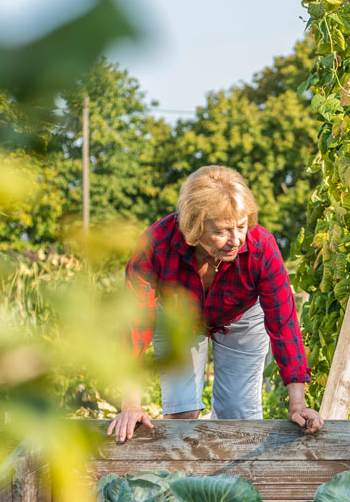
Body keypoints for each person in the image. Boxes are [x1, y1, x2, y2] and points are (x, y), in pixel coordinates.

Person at [107, 165, 323, 442]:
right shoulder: (156, 246)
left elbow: (283, 325)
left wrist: (298, 405)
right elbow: (134, 328)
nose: (235, 241)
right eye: (221, 231)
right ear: (195, 228)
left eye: (242, 227)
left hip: (242, 317)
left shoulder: (262, 249)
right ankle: (184, 480)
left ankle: (233, 483)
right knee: (182, 413)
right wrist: (131, 406)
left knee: (239, 416)